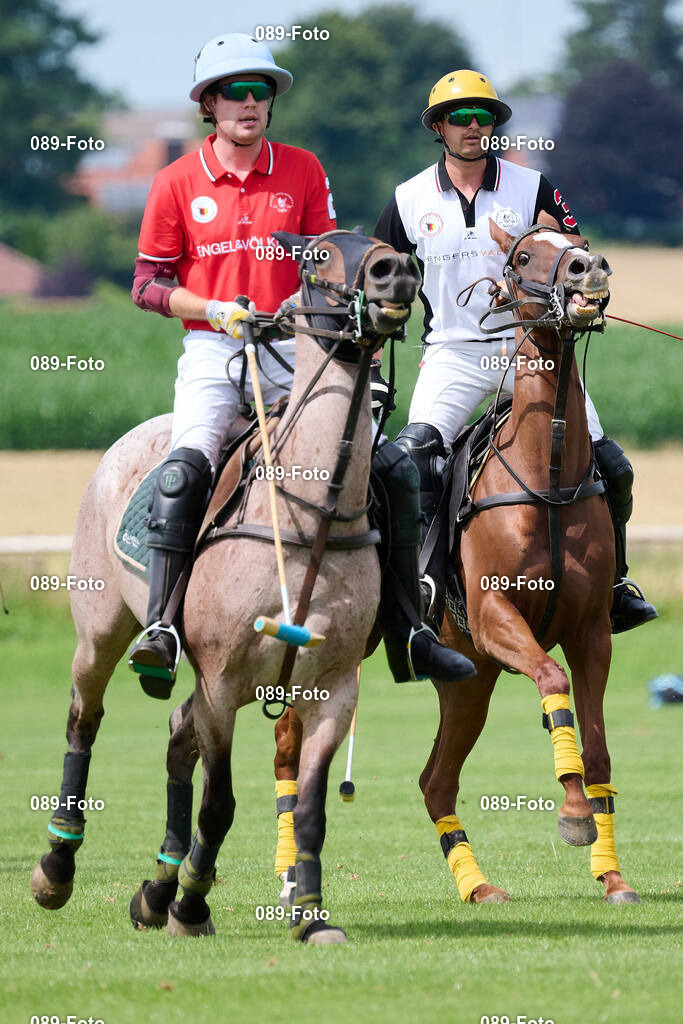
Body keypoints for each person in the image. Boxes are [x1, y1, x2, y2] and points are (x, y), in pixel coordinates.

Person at [128, 34, 473, 699]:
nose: (250, 104)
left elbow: (329, 256)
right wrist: (213, 308)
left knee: (392, 466)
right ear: (209, 104)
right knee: (181, 472)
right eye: (236, 92)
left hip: (296, 345)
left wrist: (306, 302)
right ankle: (162, 629)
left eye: (261, 92)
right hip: (215, 346)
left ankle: (407, 627)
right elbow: (146, 283)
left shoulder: (303, 170)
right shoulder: (174, 183)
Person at [373, 69, 656, 635]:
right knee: (412, 463)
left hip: (530, 350)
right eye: (461, 118)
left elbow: (577, 249)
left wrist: (567, 282)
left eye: (484, 118)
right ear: (439, 128)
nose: (474, 127)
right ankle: (420, 583)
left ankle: (616, 583)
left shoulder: (532, 187)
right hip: (452, 354)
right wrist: (376, 369)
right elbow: (380, 283)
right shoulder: (408, 200)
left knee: (612, 464)